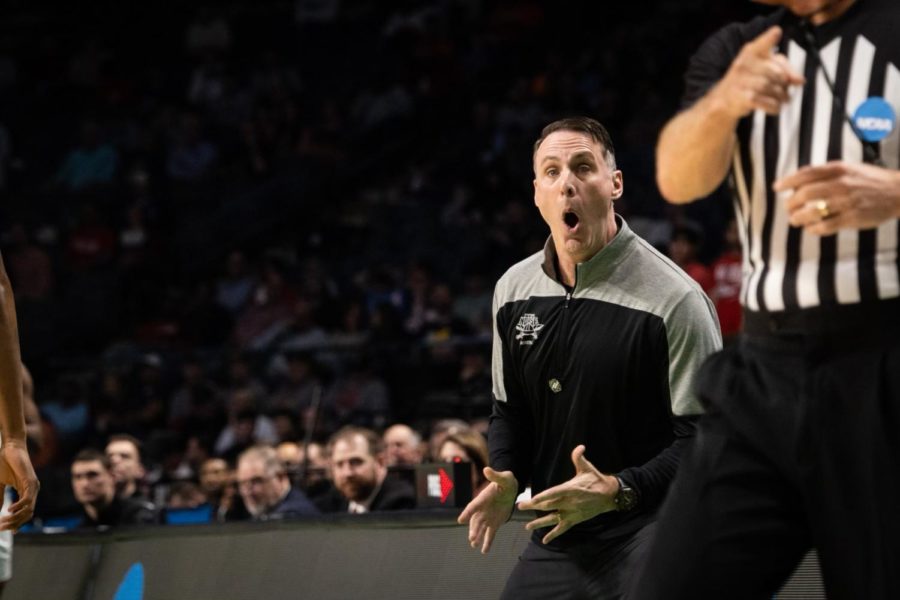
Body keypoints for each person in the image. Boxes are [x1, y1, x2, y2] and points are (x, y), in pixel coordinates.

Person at [631, 1, 900, 599]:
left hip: (883, 366)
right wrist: (724, 104)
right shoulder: (736, 48)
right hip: (763, 371)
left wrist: (896, 193)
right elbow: (678, 176)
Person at [458, 116, 722, 599]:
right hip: (560, 535)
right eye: (553, 172)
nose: (568, 185)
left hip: (655, 528)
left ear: (614, 183)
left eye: (583, 167)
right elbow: (510, 412)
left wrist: (621, 490)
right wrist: (506, 475)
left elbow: (707, 439)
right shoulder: (512, 290)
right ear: (537, 192)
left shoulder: (677, 300)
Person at [317, 426, 416, 514]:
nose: (347, 473)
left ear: (380, 462)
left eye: (355, 462)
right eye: (339, 464)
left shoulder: (403, 503)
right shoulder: (328, 505)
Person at [70, 449, 158, 530]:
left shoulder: (140, 517)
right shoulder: (78, 531)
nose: (85, 484)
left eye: (93, 475)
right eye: (77, 477)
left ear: (112, 477)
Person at [235, 445, 319, 520]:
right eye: (242, 483)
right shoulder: (266, 512)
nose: (248, 491)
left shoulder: (293, 516)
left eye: (256, 481)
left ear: (280, 478)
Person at [105, 434, 149, 501]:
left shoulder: (146, 510)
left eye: (125, 456)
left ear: (140, 470)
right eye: (109, 456)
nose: (114, 461)